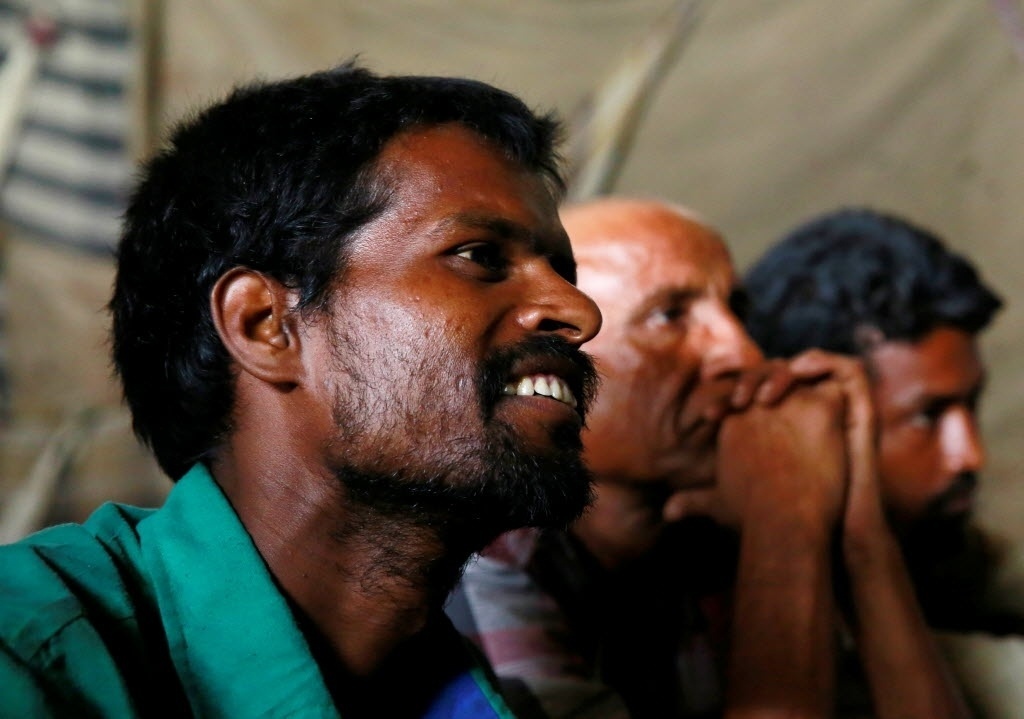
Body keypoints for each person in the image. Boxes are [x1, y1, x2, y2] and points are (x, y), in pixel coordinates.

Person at [0, 63, 605, 718]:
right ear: (265, 326)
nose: (578, 310)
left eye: (562, 270)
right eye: (481, 254)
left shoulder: (482, 700)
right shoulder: (29, 657)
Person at [449, 197, 970, 719]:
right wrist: (785, 518)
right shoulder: (480, 563)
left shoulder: (703, 548)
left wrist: (863, 540)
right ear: (554, 357)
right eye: (669, 316)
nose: (741, 353)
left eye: (736, 311)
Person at [744, 207, 1022, 717]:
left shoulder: (956, 556)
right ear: (819, 414)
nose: (970, 454)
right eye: (927, 417)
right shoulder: (742, 607)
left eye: (971, 404)